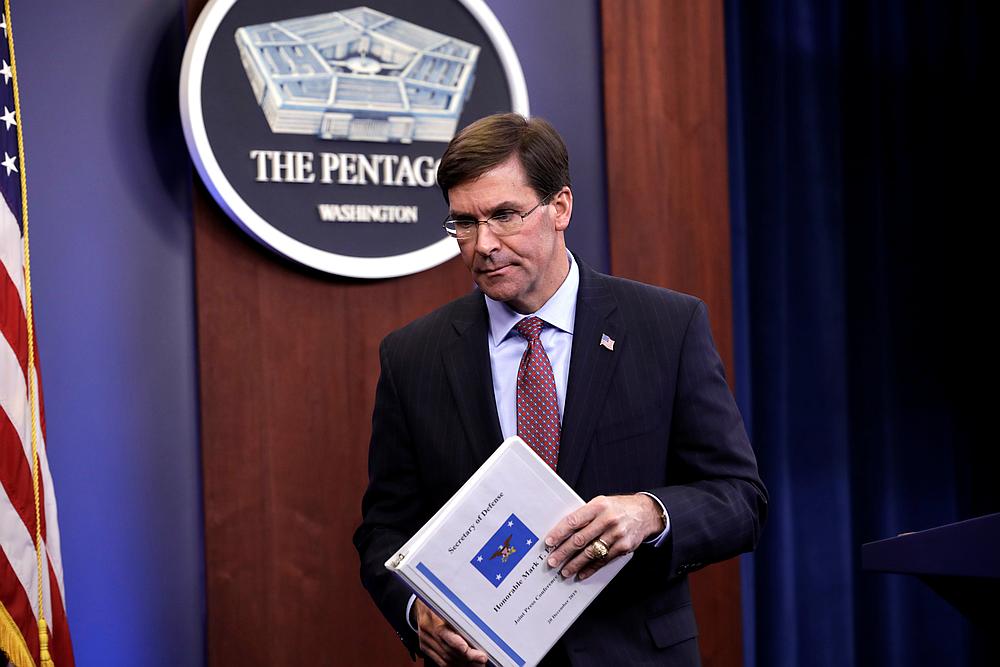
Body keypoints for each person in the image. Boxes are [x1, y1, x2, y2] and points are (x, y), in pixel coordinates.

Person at [353, 113, 767, 666]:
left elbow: (741, 499)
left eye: (504, 215)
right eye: (464, 224)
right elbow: (386, 528)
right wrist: (417, 613)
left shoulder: (666, 327)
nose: (484, 244)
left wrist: (650, 513)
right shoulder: (413, 356)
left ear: (561, 208)